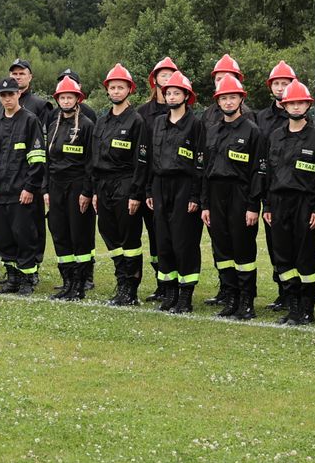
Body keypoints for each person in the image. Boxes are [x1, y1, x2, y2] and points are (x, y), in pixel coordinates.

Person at [201, 72, 265, 319]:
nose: (228, 102)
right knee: (222, 249)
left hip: (241, 194)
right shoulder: (212, 130)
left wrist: (252, 205)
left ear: (241, 99)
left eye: (233, 97)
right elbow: (205, 170)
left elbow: (258, 171)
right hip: (216, 194)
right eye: (224, 98)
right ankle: (230, 299)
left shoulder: (252, 131)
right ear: (218, 102)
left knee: (243, 249)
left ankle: (247, 302)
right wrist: (205, 203)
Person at [262, 80, 315, 324]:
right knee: (283, 255)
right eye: (292, 103)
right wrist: (267, 205)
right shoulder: (275, 136)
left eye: (300, 103)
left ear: (307, 105)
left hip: (306, 204)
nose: (296, 107)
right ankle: (293, 305)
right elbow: (268, 173)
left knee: (306, 256)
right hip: (279, 203)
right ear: (284, 105)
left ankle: (308, 307)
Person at [142, 68, 204, 312]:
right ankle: (169, 293)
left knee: (184, 242)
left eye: (177, 93)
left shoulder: (195, 125)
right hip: (159, 185)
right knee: (164, 241)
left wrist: (195, 195)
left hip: (184, 186)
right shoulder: (157, 123)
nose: (172, 97)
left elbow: (200, 163)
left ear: (186, 96)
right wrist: (148, 190)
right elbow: (148, 159)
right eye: (168, 93)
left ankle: (185, 295)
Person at [89, 64, 149, 306]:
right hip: (103, 185)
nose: (116, 91)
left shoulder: (136, 121)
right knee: (109, 235)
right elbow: (94, 158)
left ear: (129, 90)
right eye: (112, 87)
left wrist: (136, 193)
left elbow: (141, 162)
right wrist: (94, 190)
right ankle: (120, 279)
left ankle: (130, 288)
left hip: (126, 184)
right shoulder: (102, 122)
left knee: (129, 239)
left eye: (120, 87)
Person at [0, 77, 47, 294]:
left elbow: (37, 158)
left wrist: (30, 187)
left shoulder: (30, 121)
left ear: (19, 94)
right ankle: (12, 279)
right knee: (3, 238)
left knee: (25, 236)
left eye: (11, 94)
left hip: (22, 193)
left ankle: (27, 280)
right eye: (3, 95)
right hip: (0, 192)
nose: (7, 98)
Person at [44, 73, 97, 299]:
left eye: (70, 97)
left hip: (77, 186)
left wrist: (87, 191)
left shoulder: (86, 125)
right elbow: (48, 160)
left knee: (79, 235)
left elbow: (91, 162)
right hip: (56, 186)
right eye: (62, 98)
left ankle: (80, 283)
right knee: (59, 233)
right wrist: (45, 189)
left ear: (78, 99)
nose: (66, 101)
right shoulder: (53, 123)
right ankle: (67, 282)